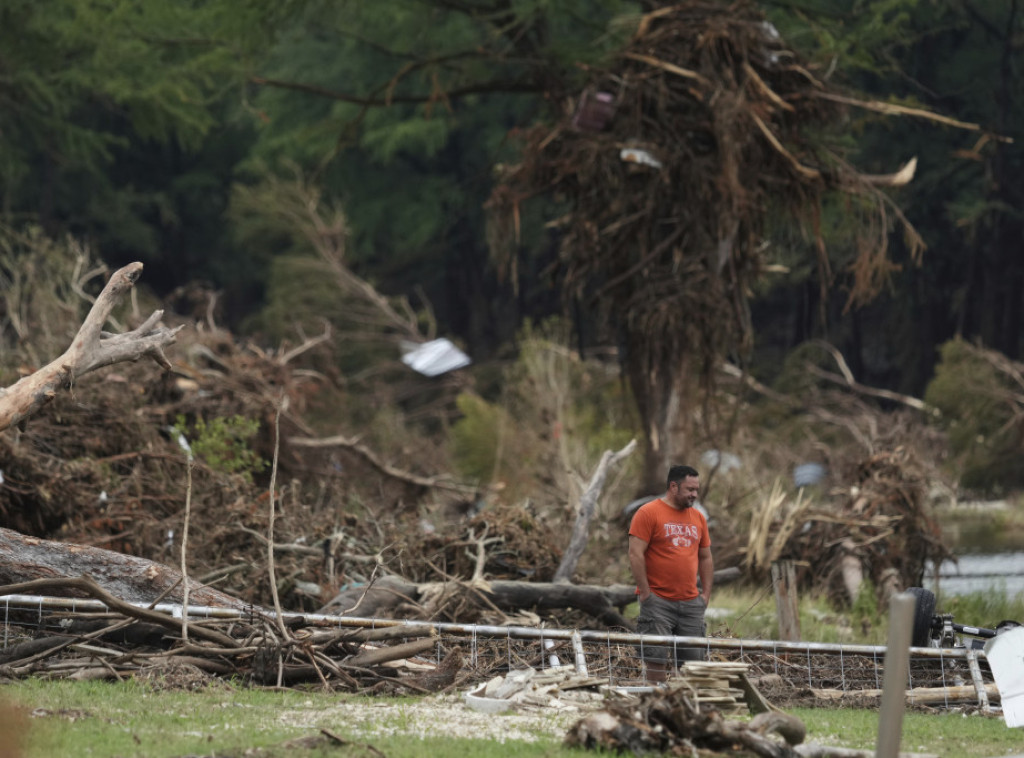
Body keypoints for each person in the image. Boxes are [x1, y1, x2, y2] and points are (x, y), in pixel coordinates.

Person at [628, 464, 713, 681]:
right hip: (657, 602)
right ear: (673, 487)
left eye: (696, 489)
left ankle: (686, 710)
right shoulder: (648, 513)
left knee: (693, 667)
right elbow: (635, 554)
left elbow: (706, 557)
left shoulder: (698, 518)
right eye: (689, 489)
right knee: (655, 660)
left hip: (691, 602)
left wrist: (705, 596)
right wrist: (646, 593)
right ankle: (655, 706)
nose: (694, 494)